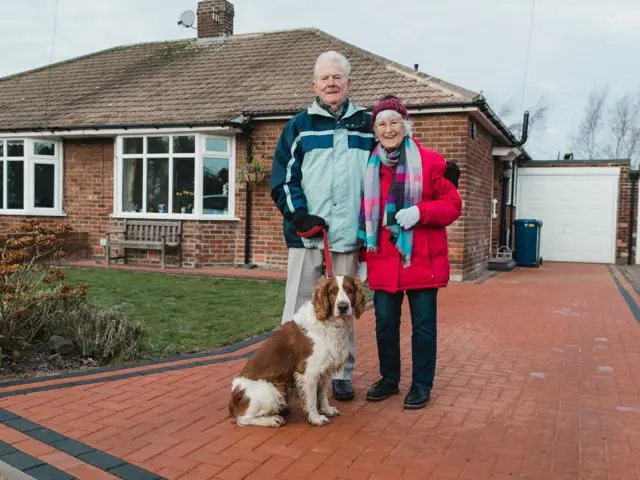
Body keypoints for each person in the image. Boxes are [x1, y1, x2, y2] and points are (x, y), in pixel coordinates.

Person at [270, 51, 374, 401]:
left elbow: (392, 162)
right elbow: (283, 178)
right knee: (298, 308)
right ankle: (285, 370)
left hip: (346, 237)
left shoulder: (367, 124)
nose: (331, 83)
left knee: (343, 309)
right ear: (314, 84)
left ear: (349, 82)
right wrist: (298, 214)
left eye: (337, 77)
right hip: (306, 235)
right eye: (324, 78)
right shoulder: (298, 126)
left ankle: (340, 373)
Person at [358, 95, 462, 409]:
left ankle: (421, 385)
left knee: (423, 326)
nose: (388, 129)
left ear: (406, 126)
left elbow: (452, 205)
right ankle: (389, 379)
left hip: (421, 260)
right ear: (375, 130)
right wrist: (364, 257)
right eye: (381, 124)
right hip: (383, 261)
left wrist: (421, 211)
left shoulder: (430, 161)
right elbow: (363, 214)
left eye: (394, 122)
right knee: (385, 325)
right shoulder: (368, 166)